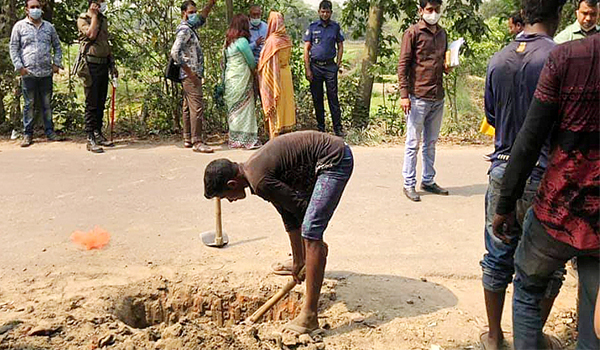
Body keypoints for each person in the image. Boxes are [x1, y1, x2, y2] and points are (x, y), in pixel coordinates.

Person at [493, 34, 599, 350]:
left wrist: (505, 203)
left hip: (558, 208)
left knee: (527, 286)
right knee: (593, 305)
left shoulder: (567, 57)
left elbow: (529, 139)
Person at [204, 130, 353, 335]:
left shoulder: (259, 179)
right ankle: (307, 257)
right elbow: (288, 213)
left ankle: (309, 316)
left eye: (226, 196)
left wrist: (315, 245)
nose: (230, 201)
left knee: (311, 231)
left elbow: (301, 208)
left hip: (334, 160)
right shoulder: (252, 173)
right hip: (315, 164)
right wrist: (299, 259)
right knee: (308, 232)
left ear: (232, 184)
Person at [479, 1, 567, 349]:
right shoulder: (558, 58)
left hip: (502, 170)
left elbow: (492, 116)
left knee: (497, 255)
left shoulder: (498, 59)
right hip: (546, 175)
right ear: (556, 16)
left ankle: (495, 336)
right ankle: (532, 336)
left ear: (523, 16)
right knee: (547, 266)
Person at [397, 0, 449, 202]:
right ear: (421, 10)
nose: (433, 13)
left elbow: (441, 62)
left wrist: (447, 65)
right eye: (430, 10)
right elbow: (403, 65)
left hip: (437, 96)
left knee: (431, 142)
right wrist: (404, 95)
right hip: (418, 96)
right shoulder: (413, 33)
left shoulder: (442, 33)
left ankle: (428, 179)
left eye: (437, 10)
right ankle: (408, 183)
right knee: (413, 143)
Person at [9, 0, 63, 147]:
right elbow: (13, 47)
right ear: (27, 10)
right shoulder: (19, 27)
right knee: (29, 104)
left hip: (46, 73)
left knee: (46, 104)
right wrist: (19, 67)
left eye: (37, 7)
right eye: (32, 7)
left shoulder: (49, 27)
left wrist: (56, 64)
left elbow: (57, 46)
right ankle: (27, 134)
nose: (35, 9)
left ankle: (50, 132)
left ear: (41, 9)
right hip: (28, 73)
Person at [170, 0, 216, 153]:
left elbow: (201, 18)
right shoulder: (185, 30)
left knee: (187, 106)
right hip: (191, 75)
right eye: (190, 12)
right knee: (197, 107)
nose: (193, 14)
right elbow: (175, 52)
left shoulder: (190, 27)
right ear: (183, 13)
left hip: (189, 74)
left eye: (194, 11)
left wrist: (210, 4)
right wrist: (190, 72)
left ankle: (188, 137)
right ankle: (197, 141)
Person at [77, 0, 118, 153]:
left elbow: (105, 43)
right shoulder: (84, 19)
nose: (103, 5)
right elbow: (91, 35)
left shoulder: (103, 20)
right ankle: (90, 137)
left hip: (103, 64)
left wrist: (112, 64)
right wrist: (93, 16)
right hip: (90, 65)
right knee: (91, 102)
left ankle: (98, 133)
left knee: (101, 100)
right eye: (100, 2)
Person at [303, 0, 345, 137]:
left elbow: (340, 46)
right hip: (315, 67)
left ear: (331, 13)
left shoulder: (335, 27)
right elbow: (306, 49)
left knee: (333, 98)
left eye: (327, 12)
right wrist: (307, 69)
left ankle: (337, 129)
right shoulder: (313, 26)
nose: (325, 14)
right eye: (323, 11)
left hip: (330, 67)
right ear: (319, 12)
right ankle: (321, 128)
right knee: (317, 98)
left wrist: (337, 64)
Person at [258, 12, 296, 140]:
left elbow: (266, 64)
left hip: (276, 76)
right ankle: (287, 136)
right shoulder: (286, 39)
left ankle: (275, 137)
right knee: (286, 104)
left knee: (276, 104)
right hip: (286, 75)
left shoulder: (272, 41)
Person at [224, 14, 260, 149]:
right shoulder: (243, 42)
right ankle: (247, 140)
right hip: (242, 78)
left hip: (230, 78)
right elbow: (251, 62)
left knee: (234, 109)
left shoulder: (229, 42)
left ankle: (235, 139)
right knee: (245, 108)